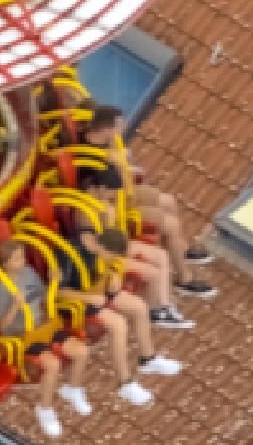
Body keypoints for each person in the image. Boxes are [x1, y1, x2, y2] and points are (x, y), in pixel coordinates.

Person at [79, 106, 215, 302]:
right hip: (118, 202)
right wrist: (121, 165)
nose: (123, 128)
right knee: (171, 224)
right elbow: (121, 189)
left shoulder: (100, 142)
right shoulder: (95, 157)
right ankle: (185, 278)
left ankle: (181, 250)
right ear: (107, 128)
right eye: (119, 125)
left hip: (121, 195)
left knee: (169, 201)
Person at [58, 222, 183, 408]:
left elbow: (111, 265)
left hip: (100, 290)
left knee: (140, 307)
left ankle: (147, 359)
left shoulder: (100, 248)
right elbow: (58, 293)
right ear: (103, 248)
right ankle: (125, 383)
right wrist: (89, 298)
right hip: (80, 300)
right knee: (118, 324)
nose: (113, 260)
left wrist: (115, 273)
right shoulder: (70, 255)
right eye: (113, 257)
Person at [0, 238, 93, 444]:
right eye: (17, 258)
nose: (23, 260)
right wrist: (14, 306)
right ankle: (45, 408)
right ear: (6, 263)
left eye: (22, 256)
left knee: (82, 351)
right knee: (52, 364)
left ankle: (73, 389)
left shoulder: (29, 272)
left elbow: (45, 296)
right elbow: (0, 325)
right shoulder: (0, 287)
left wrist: (53, 281)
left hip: (42, 326)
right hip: (22, 335)